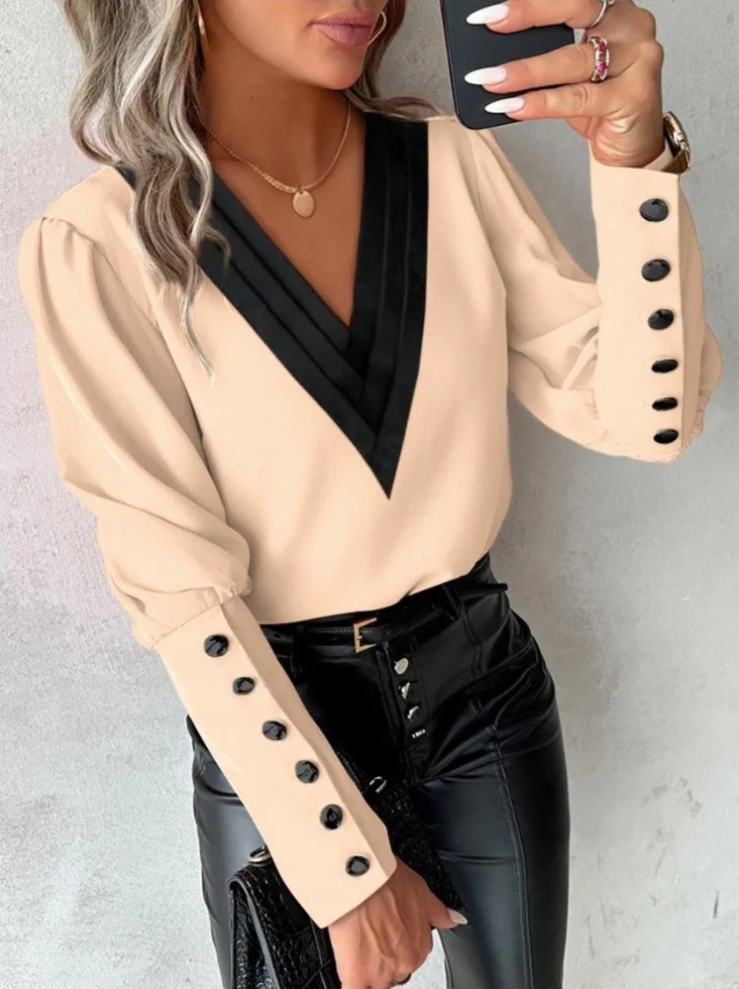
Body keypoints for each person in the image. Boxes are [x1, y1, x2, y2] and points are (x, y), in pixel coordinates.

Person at [16, 0, 722, 987]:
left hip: (484, 694)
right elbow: (179, 590)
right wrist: (342, 867)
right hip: (273, 725)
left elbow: (651, 418)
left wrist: (634, 155)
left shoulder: (450, 164)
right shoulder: (102, 240)